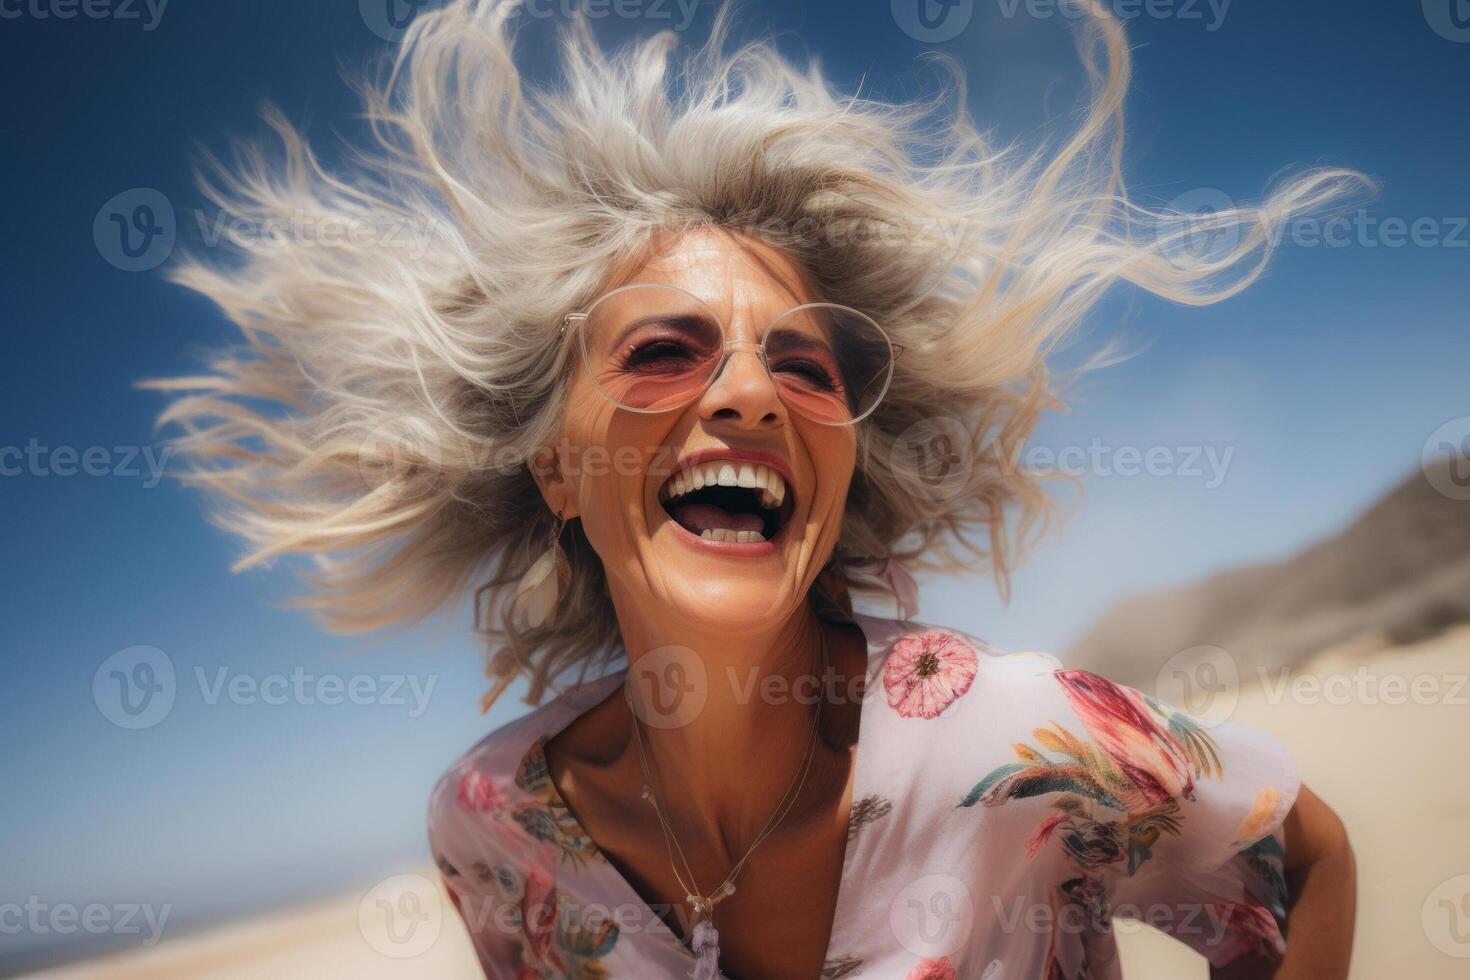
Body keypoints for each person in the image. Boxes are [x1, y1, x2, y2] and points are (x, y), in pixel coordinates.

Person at [145, 0, 1359, 976]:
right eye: (663, 350)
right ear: (558, 468)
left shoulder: (1020, 737)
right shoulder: (489, 820)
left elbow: (1305, 855)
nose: (751, 396)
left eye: (804, 365)